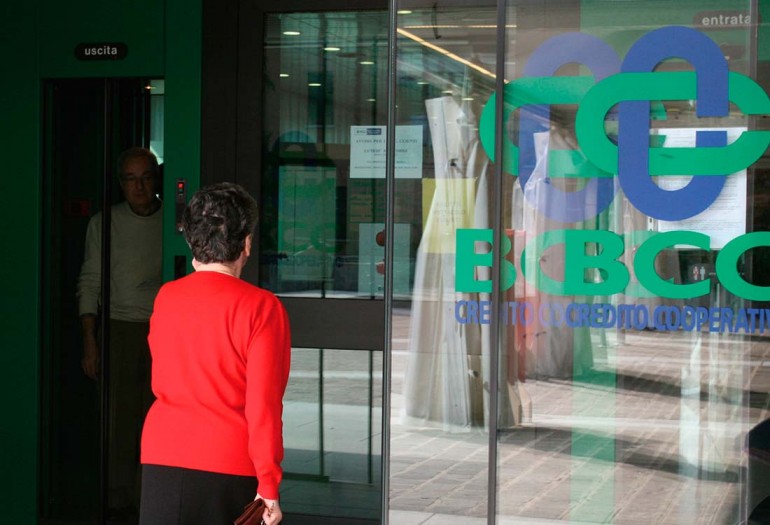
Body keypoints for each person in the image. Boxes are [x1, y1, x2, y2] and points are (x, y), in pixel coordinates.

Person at [139, 182, 291, 525]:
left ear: (191, 240)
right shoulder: (262, 307)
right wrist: (268, 484)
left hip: (161, 452)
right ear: (246, 242)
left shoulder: (167, 297)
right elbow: (263, 406)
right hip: (228, 459)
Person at [76, 146, 162, 515]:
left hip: (163, 330)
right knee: (120, 420)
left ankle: (148, 498)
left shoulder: (173, 221)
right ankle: (118, 499)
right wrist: (91, 342)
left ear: (155, 179)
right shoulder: (104, 223)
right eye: (130, 179)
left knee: (157, 419)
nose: (139, 187)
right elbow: (90, 282)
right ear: (121, 184)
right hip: (120, 328)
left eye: (145, 177)